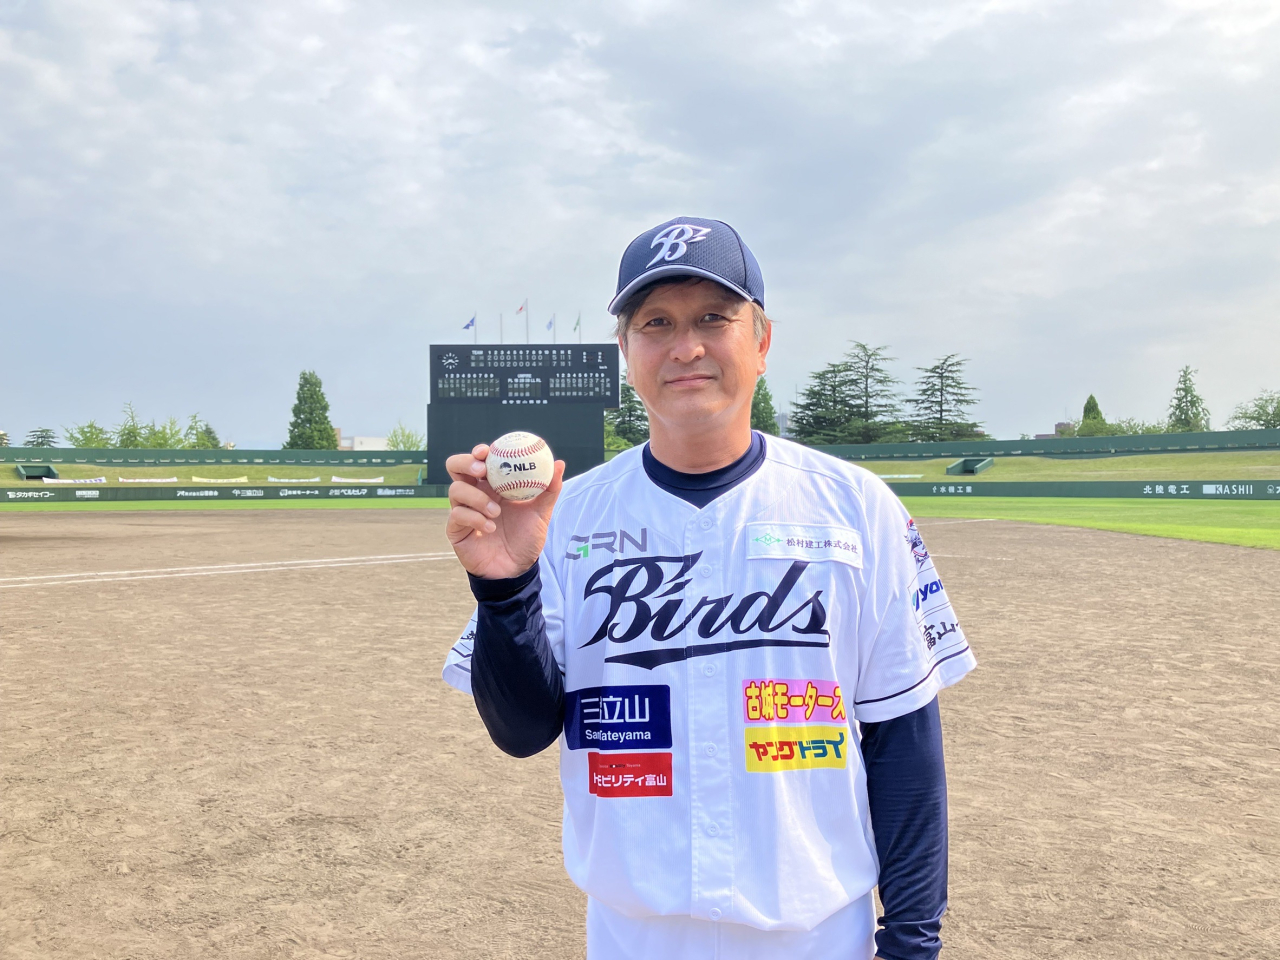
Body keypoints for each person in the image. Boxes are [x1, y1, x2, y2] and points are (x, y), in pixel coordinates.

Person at [441, 217, 975, 960]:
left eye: (713, 318)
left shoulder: (856, 508)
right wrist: (504, 586)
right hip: (631, 937)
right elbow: (522, 732)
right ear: (626, 352)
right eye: (655, 323)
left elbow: (902, 741)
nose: (685, 346)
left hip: (820, 938)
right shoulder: (568, 517)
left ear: (762, 340)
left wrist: (913, 944)